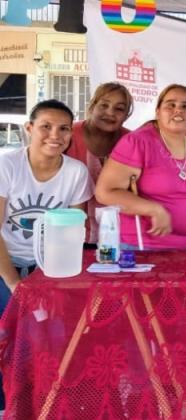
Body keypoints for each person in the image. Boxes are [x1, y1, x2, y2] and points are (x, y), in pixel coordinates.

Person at [95, 84, 186, 250]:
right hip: (142, 248)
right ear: (157, 112)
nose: (178, 110)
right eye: (170, 105)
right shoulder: (137, 142)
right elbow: (105, 192)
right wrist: (154, 210)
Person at [0, 100, 93, 295]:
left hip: (50, 264)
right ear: (29, 128)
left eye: (64, 129)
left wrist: (57, 272)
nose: (55, 135)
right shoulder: (7, 165)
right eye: (46, 127)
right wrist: (13, 283)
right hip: (6, 261)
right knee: (7, 321)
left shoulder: (77, 172)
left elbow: (73, 232)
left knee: (51, 323)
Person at [66, 82, 133, 245]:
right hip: (71, 234)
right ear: (92, 107)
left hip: (120, 237)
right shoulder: (68, 135)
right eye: (104, 105)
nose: (110, 113)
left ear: (126, 116)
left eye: (119, 109)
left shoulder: (132, 141)